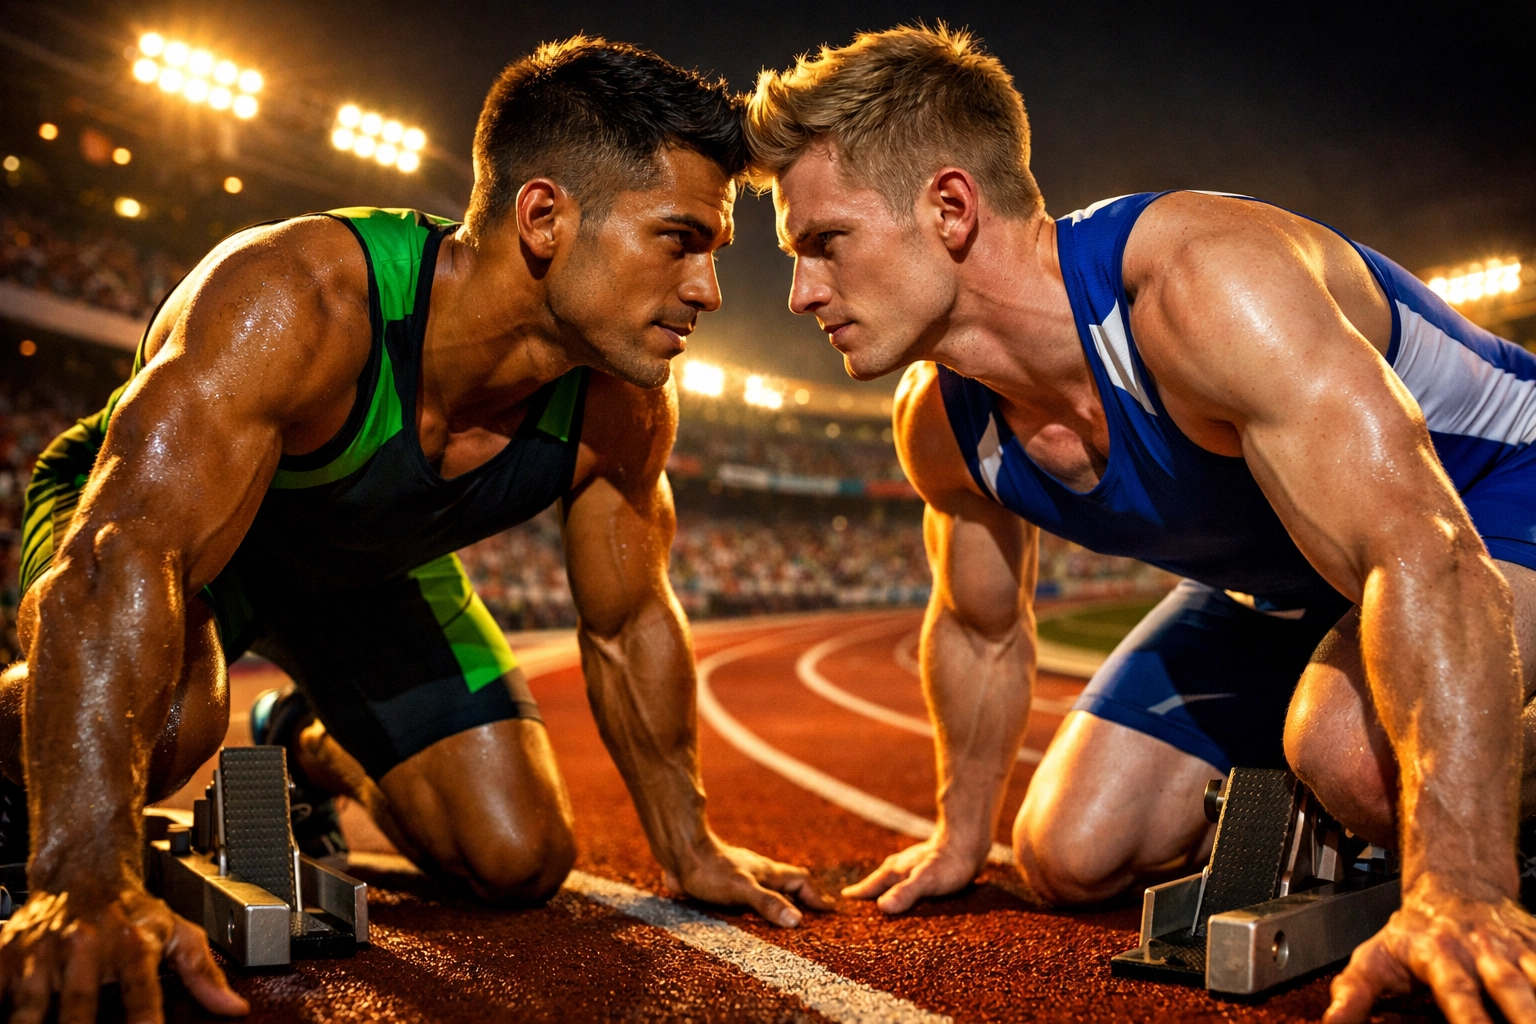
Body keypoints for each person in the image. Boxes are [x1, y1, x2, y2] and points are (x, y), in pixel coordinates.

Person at [0, 36, 832, 1024]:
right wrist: (84, 874)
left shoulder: (626, 407)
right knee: (171, 725)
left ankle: (312, 746)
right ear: (544, 218)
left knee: (519, 857)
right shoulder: (298, 298)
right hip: (178, 541)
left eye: (713, 252)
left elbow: (629, 620)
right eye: (680, 240)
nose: (708, 290)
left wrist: (689, 847)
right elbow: (124, 556)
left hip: (369, 570)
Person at [747, 24, 1536, 1024]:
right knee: (1070, 853)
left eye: (824, 242)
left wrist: (1460, 883)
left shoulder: (1202, 285)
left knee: (1346, 755)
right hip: (1293, 578)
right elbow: (981, 630)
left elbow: (1422, 548)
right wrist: (960, 833)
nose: (801, 293)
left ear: (949, 207)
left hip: (1489, 497)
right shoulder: (940, 425)